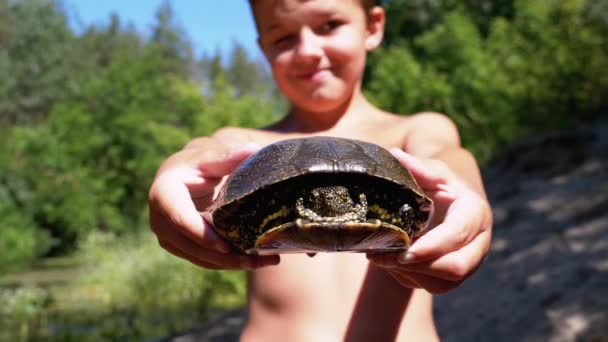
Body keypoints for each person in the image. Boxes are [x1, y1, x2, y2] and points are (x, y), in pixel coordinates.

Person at [148, 0, 493, 340]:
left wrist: (465, 192)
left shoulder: (414, 131)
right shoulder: (248, 146)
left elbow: (446, 156)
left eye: (329, 25)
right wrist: (173, 172)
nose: (308, 51)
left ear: (372, 27)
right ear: (263, 49)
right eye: (283, 39)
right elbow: (204, 152)